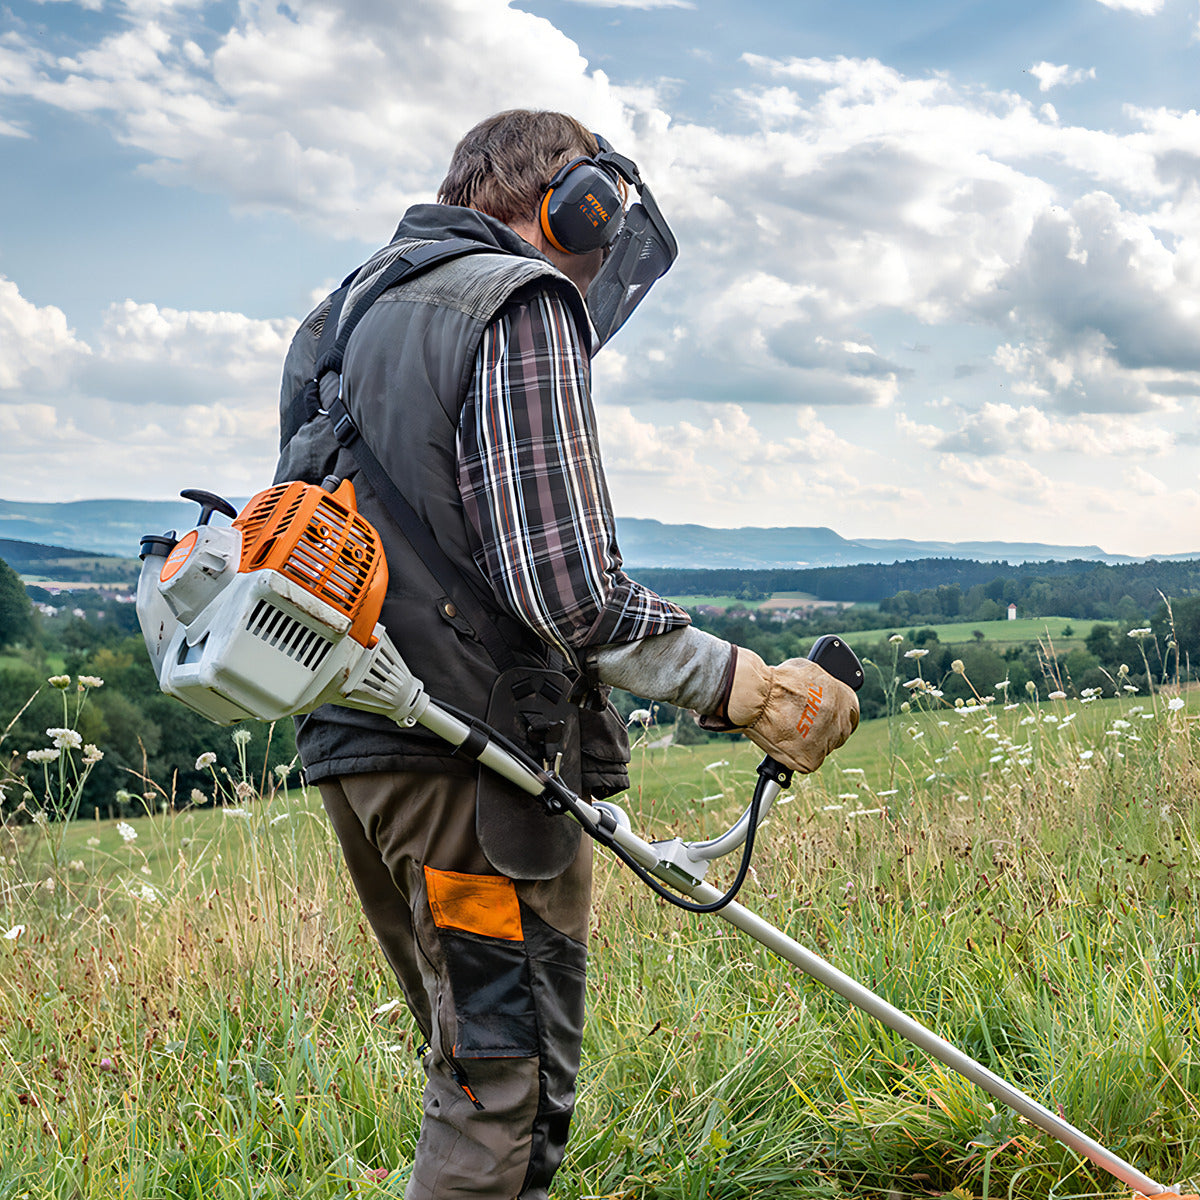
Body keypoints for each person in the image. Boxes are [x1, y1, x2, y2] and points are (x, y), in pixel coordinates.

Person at [273, 109, 859, 1200]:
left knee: (474, 1071)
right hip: (472, 763)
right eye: (602, 230)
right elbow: (568, 588)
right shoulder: (518, 298)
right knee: (506, 1096)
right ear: (571, 203)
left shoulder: (343, 317)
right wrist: (748, 688)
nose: (600, 263)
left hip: (362, 751)